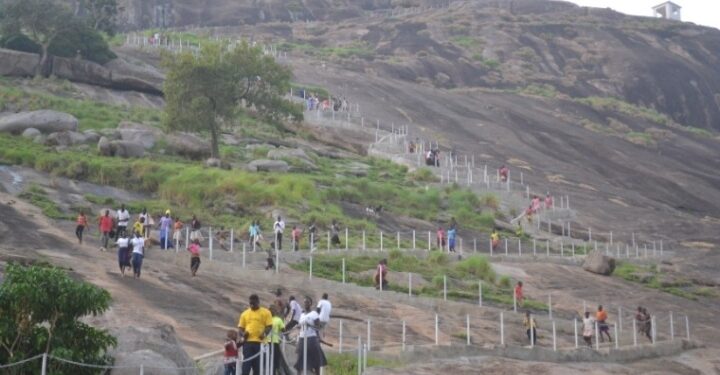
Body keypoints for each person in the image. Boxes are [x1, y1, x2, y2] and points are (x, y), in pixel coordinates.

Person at [238, 294, 273, 375]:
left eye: (253, 303)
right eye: (250, 304)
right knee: (246, 365)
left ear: (258, 302)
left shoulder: (266, 312)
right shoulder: (244, 314)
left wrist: (264, 334)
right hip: (248, 343)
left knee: (258, 367)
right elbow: (240, 328)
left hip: (260, 343)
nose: (251, 305)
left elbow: (269, 326)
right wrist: (243, 334)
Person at [295, 296, 327, 374]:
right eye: (305, 302)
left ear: (311, 304)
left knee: (315, 360)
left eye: (307, 302)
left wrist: (310, 325)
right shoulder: (302, 315)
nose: (306, 304)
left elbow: (319, 327)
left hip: (311, 338)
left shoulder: (314, 314)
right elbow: (300, 326)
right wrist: (298, 327)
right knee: (300, 359)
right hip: (302, 338)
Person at [269, 306, 292, 375]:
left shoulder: (271, 319)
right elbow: (283, 330)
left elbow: (283, 330)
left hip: (270, 342)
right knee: (275, 359)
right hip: (273, 342)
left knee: (272, 359)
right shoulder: (277, 320)